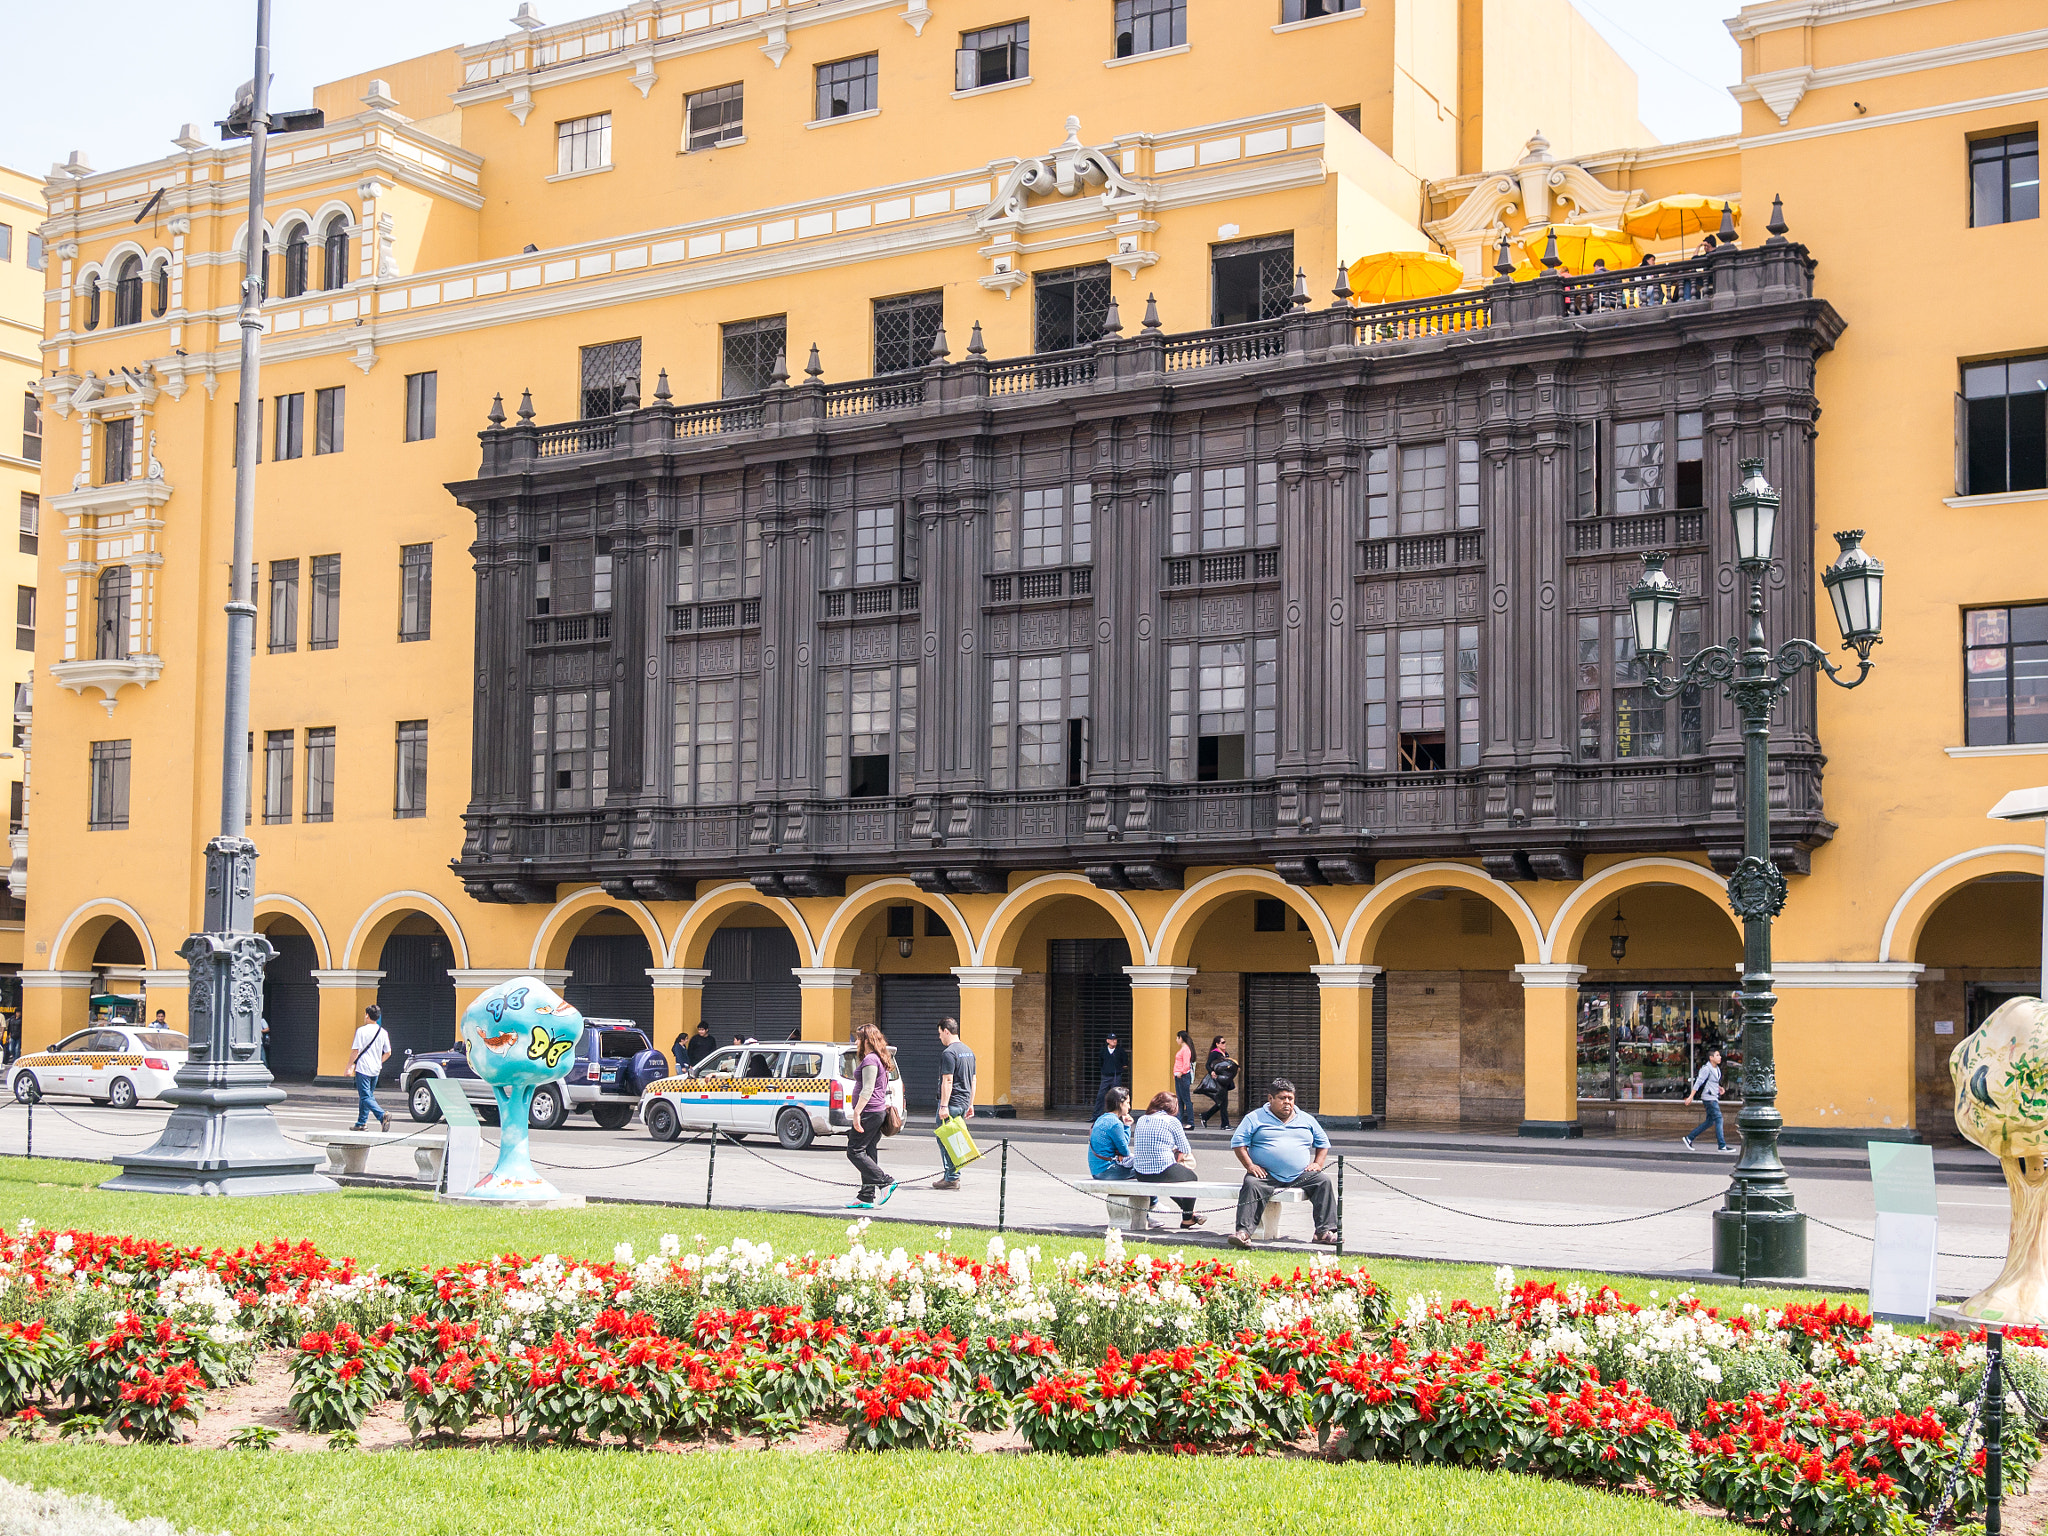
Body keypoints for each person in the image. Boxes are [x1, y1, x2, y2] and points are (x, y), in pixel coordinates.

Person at [1229, 1078, 1338, 1248]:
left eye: (1290, 1099)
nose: (1287, 1102)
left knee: (1323, 1181)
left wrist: (1318, 1163)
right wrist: (1250, 1165)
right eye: (1282, 1098)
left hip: (1300, 1174)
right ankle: (1243, 1233)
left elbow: (1323, 1143)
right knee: (1251, 1183)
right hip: (1266, 1174)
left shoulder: (1306, 1119)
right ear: (1270, 1099)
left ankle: (1323, 1232)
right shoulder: (1254, 1118)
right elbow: (1238, 1143)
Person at [1132, 1090, 1204, 1229]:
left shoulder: (1141, 1119)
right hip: (1162, 1169)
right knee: (1191, 1179)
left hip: (1140, 1173)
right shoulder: (1172, 1121)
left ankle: (1190, 1214)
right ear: (1172, 1107)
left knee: (1172, 1180)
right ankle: (1188, 1218)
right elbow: (1185, 1148)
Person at [845, 1022, 896, 1209]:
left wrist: (857, 1112)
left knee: (854, 1151)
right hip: (876, 1111)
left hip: (869, 1112)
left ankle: (885, 1182)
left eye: (859, 1038)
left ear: (868, 1040)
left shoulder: (870, 1061)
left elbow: (868, 1088)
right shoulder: (879, 1058)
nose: (856, 1041)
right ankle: (866, 1196)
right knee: (868, 1151)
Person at [931, 1016, 975, 1191]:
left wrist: (943, 1106)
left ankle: (951, 1177)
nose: (939, 1037)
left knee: (945, 1138)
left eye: (940, 1033)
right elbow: (973, 1079)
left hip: (952, 1103)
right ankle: (952, 1174)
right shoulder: (968, 1051)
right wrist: (971, 1103)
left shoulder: (949, 1053)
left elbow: (948, 1080)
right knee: (954, 1138)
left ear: (946, 1031)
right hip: (964, 1101)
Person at [349, 1005, 393, 1132]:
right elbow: (388, 1052)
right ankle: (361, 1123)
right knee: (368, 1096)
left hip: (363, 1068)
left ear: (367, 1015)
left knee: (365, 1097)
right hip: (375, 1069)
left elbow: (355, 1051)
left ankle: (382, 1115)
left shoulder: (361, 1031)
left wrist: (349, 1066)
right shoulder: (383, 1032)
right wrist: (379, 1062)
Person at [1683, 1049, 1730, 1152]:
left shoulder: (1716, 1068)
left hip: (1713, 1096)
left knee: (1710, 1121)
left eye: (1719, 1055)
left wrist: (1719, 1087)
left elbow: (1712, 1082)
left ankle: (1689, 1138)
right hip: (1709, 1098)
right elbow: (1699, 1082)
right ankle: (1722, 1146)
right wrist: (1691, 1096)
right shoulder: (1706, 1068)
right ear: (1711, 1058)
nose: (1720, 1057)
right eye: (1717, 1055)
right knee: (1718, 1119)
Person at [1088, 1087, 1136, 1180]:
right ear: (1120, 1103)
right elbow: (1124, 1151)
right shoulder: (1115, 1123)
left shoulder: (1101, 1118)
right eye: (1127, 1103)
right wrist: (1127, 1127)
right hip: (1107, 1171)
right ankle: (1153, 1195)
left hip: (1097, 1170)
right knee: (1146, 1171)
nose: (1129, 1107)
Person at [1198, 1037, 1238, 1129]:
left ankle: (1205, 1116)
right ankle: (1225, 1124)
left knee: (1221, 1102)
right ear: (1217, 1044)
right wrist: (1211, 1072)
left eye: (1225, 1042)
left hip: (1225, 1080)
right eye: (1222, 1042)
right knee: (1223, 1103)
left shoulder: (1225, 1053)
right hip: (1218, 1080)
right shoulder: (1215, 1053)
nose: (1224, 1044)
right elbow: (1207, 1065)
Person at [1092, 1033, 1126, 1116]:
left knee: (1117, 1096)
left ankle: (1117, 1114)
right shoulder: (1103, 1050)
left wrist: (1119, 1070)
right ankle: (1096, 1115)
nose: (1114, 1041)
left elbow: (1124, 1063)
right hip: (1106, 1076)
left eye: (1115, 1040)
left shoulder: (1120, 1050)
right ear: (1107, 1041)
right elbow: (1100, 1062)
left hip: (1116, 1076)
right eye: (1112, 1040)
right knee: (1101, 1095)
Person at [1172, 1030, 1196, 1128]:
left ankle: (1190, 1122)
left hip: (1182, 1076)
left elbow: (1186, 1064)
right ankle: (1179, 1120)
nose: (1176, 1040)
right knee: (1180, 1099)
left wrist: (1181, 1073)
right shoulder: (1183, 1049)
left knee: (1186, 1099)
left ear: (1180, 1038)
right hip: (1179, 1076)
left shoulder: (1185, 1049)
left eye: (1177, 1038)